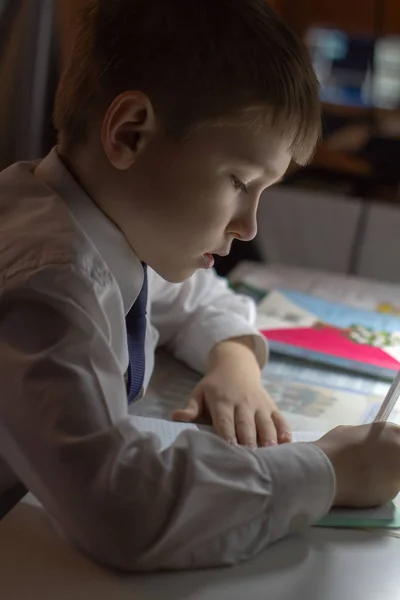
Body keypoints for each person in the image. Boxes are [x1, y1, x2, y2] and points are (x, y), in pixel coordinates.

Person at [0, 0, 399, 572]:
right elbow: (119, 503)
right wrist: (330, 470)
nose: (250, 226)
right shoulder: (47, 284)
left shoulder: (91, 228)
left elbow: (195, 296)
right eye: (240, 181)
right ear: (131, 134)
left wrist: (233, 358)